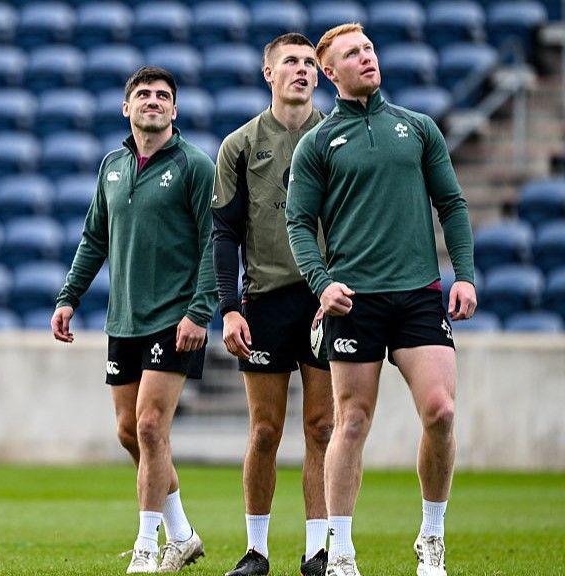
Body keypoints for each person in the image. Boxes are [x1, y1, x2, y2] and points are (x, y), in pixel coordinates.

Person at [286, 23, 477, 576]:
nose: (366, 58)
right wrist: (322, 283)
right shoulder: (317, 143)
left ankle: (432, 538)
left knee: (440, 412)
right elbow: (298, 222)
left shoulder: (417, 128)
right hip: (354, 302)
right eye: (352, 53)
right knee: (352, 421)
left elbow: (453, 204)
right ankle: (340, 551)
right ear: (330, 71)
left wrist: (462, 274)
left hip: (420, 294)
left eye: (368, 48)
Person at [52, 66, 216, 574]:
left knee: (150, 425)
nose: (153, 101)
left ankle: (147, 547)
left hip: (175, 318)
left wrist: (200, 309)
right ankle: (183, 534)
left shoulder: (194, 165)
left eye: (163, 95)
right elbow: (94, 238)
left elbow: (216, 241)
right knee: (130, 431)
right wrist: (68, 296)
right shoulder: (112, 165)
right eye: (143, 94)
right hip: (123, 319)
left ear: (175, 109)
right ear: (127, 108)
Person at [213, 33, 332, 576]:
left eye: (310, 62)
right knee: (264, 430)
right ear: (270, 74)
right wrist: (230, 308)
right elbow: (224, 231)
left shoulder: (337, 137)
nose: (303, 70)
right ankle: (256, 550)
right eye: (292, 62)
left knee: (322, 428)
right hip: (264, 300)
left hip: (327, 300)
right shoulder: (240, 145)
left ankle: (318, 551)